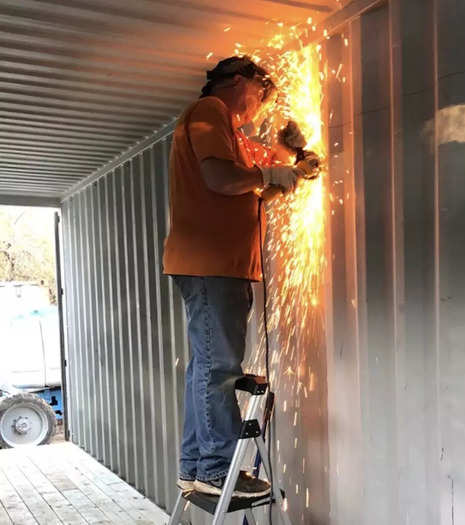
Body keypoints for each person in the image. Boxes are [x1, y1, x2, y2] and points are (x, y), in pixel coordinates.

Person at [162, 56, 317, 498]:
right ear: (239, 82)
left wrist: (292, 165)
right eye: (260, 95)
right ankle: (215, 470)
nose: (262, 107)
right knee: (219, 370)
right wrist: (275, 171)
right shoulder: (211, 111)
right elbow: (220, 178)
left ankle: (195, 468)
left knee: (205, 369)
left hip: (212, 265)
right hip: (212, 264)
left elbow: (255, 186)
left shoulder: (231, 134)